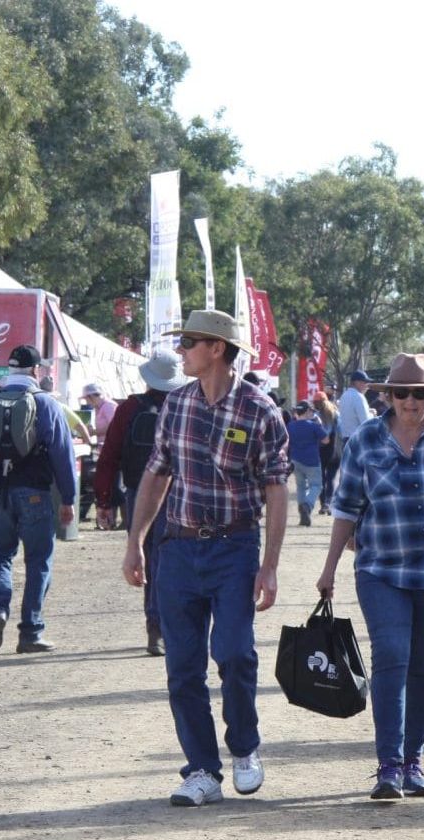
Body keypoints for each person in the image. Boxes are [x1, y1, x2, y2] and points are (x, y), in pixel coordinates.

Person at [123, 310, 289, 807]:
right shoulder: (175, 405)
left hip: (234, 547)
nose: (181, 351)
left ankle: (244, 746)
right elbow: (157, 474)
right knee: (182, 665)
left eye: (189, 342)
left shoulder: (260, 411)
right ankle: (201, 769)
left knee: (235, 652)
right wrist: (135, 541)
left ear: (217, 348)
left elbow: (276, 491)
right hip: (177, 547)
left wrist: (271, 565)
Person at [316, 352, 424, 802]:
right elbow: (346, 509)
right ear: (388, 396)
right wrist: (329, 567)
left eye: (420, 393)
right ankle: (389, 765)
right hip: (381, 569)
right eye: (402, 393)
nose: (411, 401)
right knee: (392, 654)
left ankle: (414, 760)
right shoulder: (365, 441)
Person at [0, 344, 78, 654]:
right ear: (36, 370)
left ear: (9, 368)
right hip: (35, 493)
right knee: (38, 560)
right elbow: (63, 455)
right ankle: (30, 631)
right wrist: (68, 498)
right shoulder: (47, 404)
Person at [95, 349, 190, 657]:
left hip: (138, 493)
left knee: (148, 558)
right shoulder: (187, 405)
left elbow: (109, 456)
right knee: (175, 560)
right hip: (182, 493)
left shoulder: (129, 409)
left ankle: (156, 627)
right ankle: (175, 626)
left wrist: (104, 500)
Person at [286, 400, 328, 526]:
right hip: (312, 460)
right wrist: (319, 426)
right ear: (308, 411)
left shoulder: (290, 425)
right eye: (312, 411)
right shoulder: (314, 426)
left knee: (301, 486)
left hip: (295, 460)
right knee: (317, 486)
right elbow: (326, 440)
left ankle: (302, 510)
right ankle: (307, 506)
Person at [312, 390, 340, 514]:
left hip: (321, 450)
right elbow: (341, 430)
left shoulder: (315, 416)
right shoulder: (335, 414)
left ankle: (323, 504)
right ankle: (329, 503)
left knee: (321, 479)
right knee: (331, 478)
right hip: (335, 450)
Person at [338, 369, 372, 441]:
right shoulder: (358, 396)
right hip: (358, 439)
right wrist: (372, 414)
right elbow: (366, 422)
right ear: (357, 382)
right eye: (365, 382)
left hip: (346, 439)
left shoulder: (343, 396)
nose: (367, 385)